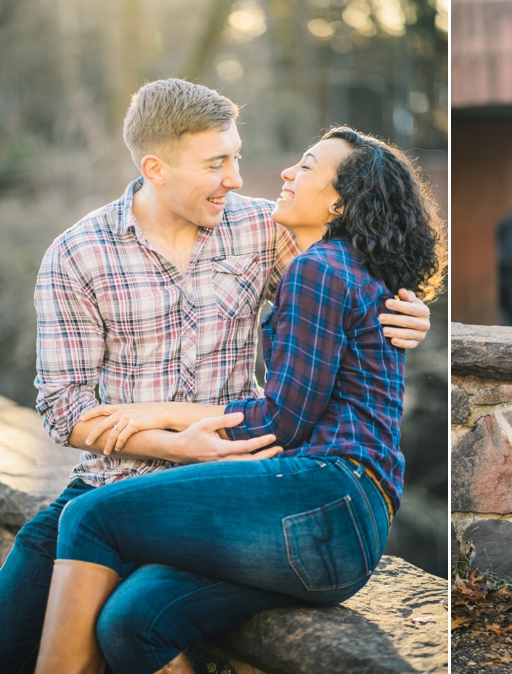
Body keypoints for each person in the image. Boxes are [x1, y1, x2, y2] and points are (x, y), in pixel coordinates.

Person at [0, 79, 433, 674]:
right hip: (115, 475)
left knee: (107, 561)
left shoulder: (265, 229)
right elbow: (63, 405)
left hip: (246, 471)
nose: (236, 177)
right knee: (29, 625)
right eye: (216, 163)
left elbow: (356, 282)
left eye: (236, 156)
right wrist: (171, 443)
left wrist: (411, 314)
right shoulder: (78, 255)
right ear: (156, 167)